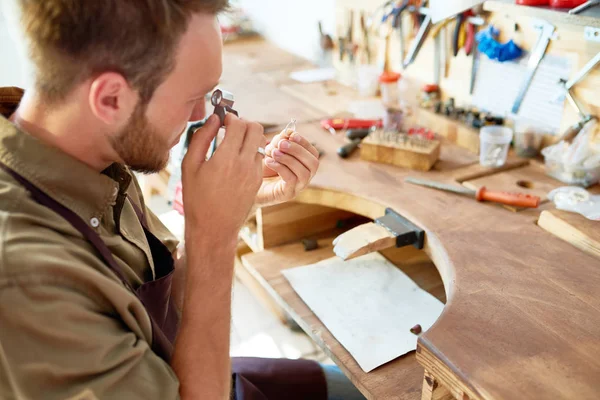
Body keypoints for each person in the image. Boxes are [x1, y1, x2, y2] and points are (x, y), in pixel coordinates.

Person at [0, 1, 366, 399]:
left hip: (181, 369)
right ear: (109, 99)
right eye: (193, 97)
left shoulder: (92, 153)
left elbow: (168, 306)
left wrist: (231, 207)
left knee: (362, 389)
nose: (199, 116)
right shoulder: (26, 278)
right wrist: (215, 237)